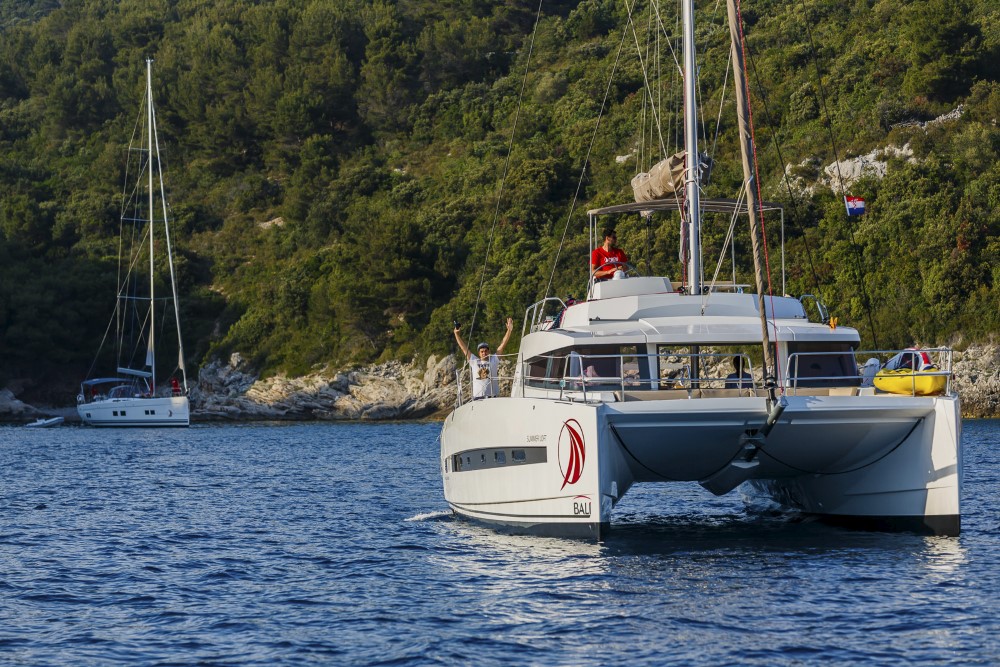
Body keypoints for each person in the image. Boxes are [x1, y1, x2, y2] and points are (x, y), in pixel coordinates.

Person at [454, 317, 514, 399]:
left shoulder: (494, 360)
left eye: (486, 351)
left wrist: (509, 330)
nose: (484, 353)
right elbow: (463, 348)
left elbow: (502, 345)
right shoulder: (474, 361)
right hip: (478, 397)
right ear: (479, 353)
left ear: (489, 352)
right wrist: (456, 334)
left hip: (492, 396)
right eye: (482, 351)